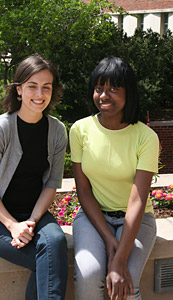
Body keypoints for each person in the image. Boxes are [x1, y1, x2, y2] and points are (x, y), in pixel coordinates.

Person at [0, 53, 68, 300]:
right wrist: (12, 225)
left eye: (46, 87)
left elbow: (51, 184)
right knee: (48, 260)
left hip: (34, 215)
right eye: (32, 86)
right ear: (18, 90)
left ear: (53, 91)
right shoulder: (1, 128)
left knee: (56, 242)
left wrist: (32, 221)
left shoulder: (57, 131)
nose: (39, 94)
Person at [69, 57, 159, 300]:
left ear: (128, 92)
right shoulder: (79, 130)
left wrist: (119, 260)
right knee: (89, 276)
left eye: (113, 89)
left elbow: (138, 198)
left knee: (125, 280)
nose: (104, 95)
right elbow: (84, 191)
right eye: (99, 88)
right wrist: (109, 240)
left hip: (137, 220)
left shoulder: (146, 137)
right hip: (93, 216)